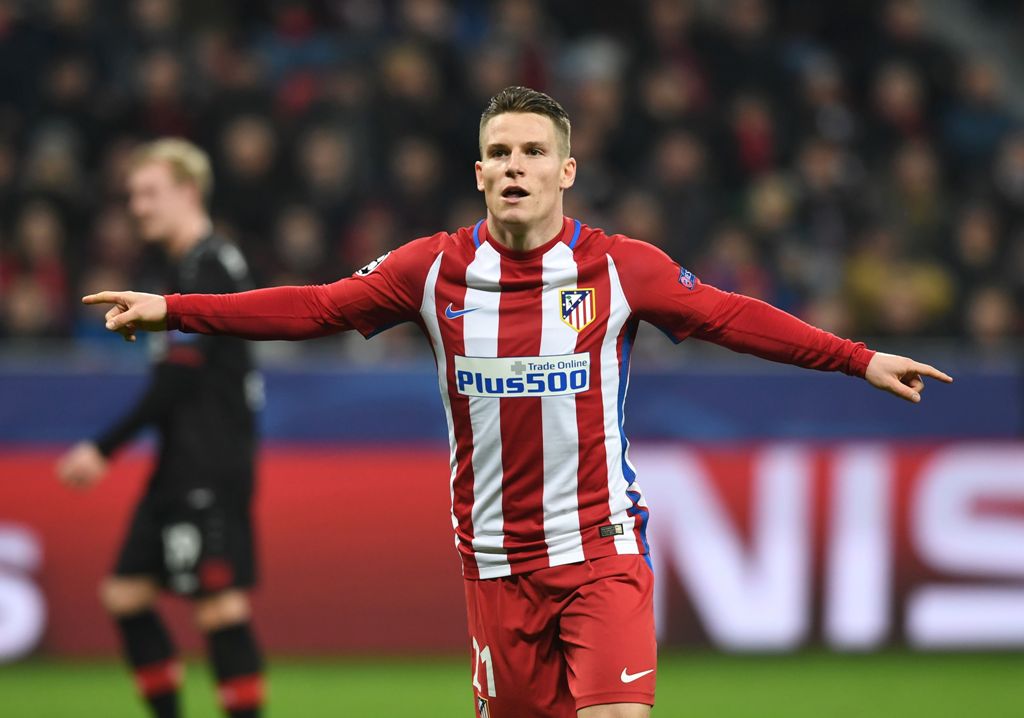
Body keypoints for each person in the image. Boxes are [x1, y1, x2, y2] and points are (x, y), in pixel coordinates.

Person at [84, 88, 952, 718]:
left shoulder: (621, 267)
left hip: (601, 546)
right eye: (499, 153)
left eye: (532, 152)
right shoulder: (431, 269)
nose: (514, 167)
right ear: (478, 173)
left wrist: (857, 357)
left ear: (565, 170)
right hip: (494, 562)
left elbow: (729, 315)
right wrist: (173, 307)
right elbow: (314, 306)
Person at [57, 139, 266, 718]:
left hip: (211, 460)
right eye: (132, 196)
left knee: (219, 607)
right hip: (178, 460)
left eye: (150, 193)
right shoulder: (179, 268)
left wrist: (103, 448)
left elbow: (180, 374)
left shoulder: (210, 264)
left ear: (188, 191)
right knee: (124, 594)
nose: (139, 207)